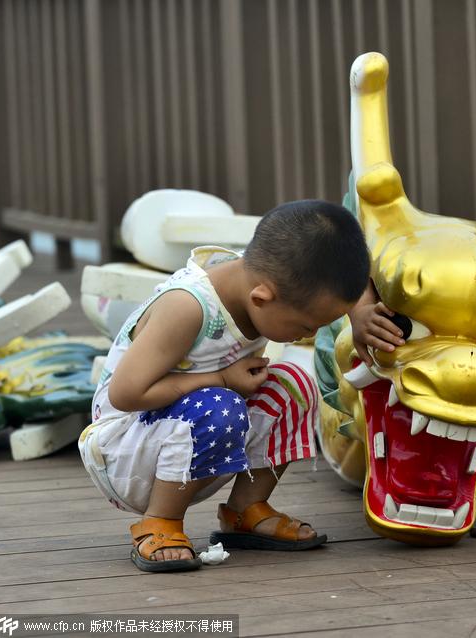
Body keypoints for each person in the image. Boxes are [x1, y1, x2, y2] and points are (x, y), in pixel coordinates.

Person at [79, 199, 371, 573]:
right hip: (125, 450)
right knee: (221, 405)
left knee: (295, 385)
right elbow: (126, 394)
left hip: (197, 432)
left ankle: (245, 511)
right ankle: (161, 521)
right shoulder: (189, 307)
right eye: (305, 326)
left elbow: (338, 280)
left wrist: (360, 311)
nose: (310, 335)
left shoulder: (265, 280)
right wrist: (220, 379)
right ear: (262, 298)